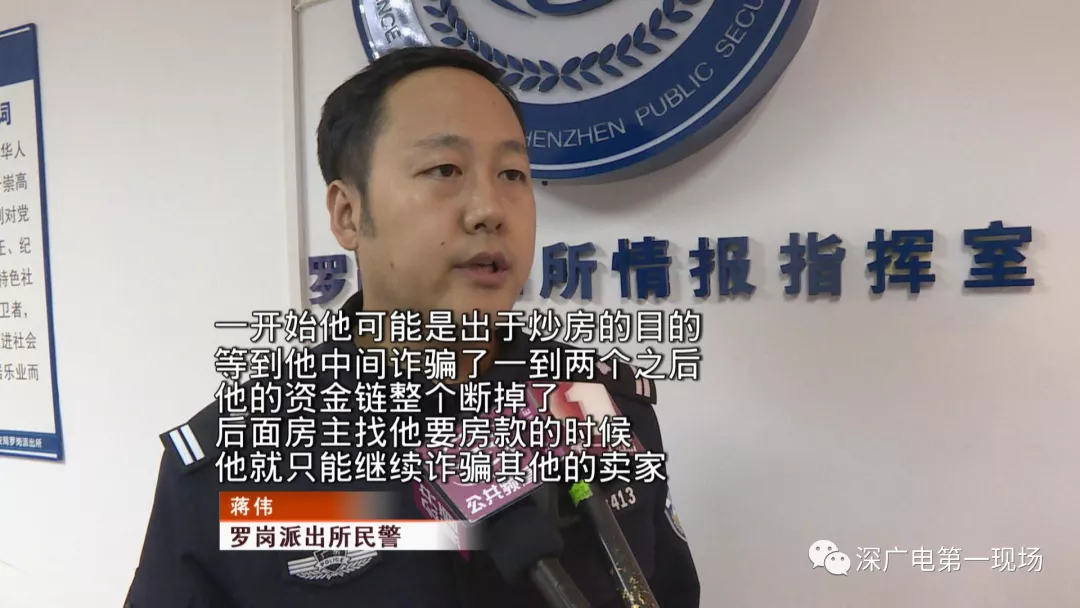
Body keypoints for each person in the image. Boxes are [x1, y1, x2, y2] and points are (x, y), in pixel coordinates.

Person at [124, 45, 700, 608]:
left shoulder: (599, 408)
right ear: (348, 213)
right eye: (444, 169)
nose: (490, 209)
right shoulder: (235, 459)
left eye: (512, 174)